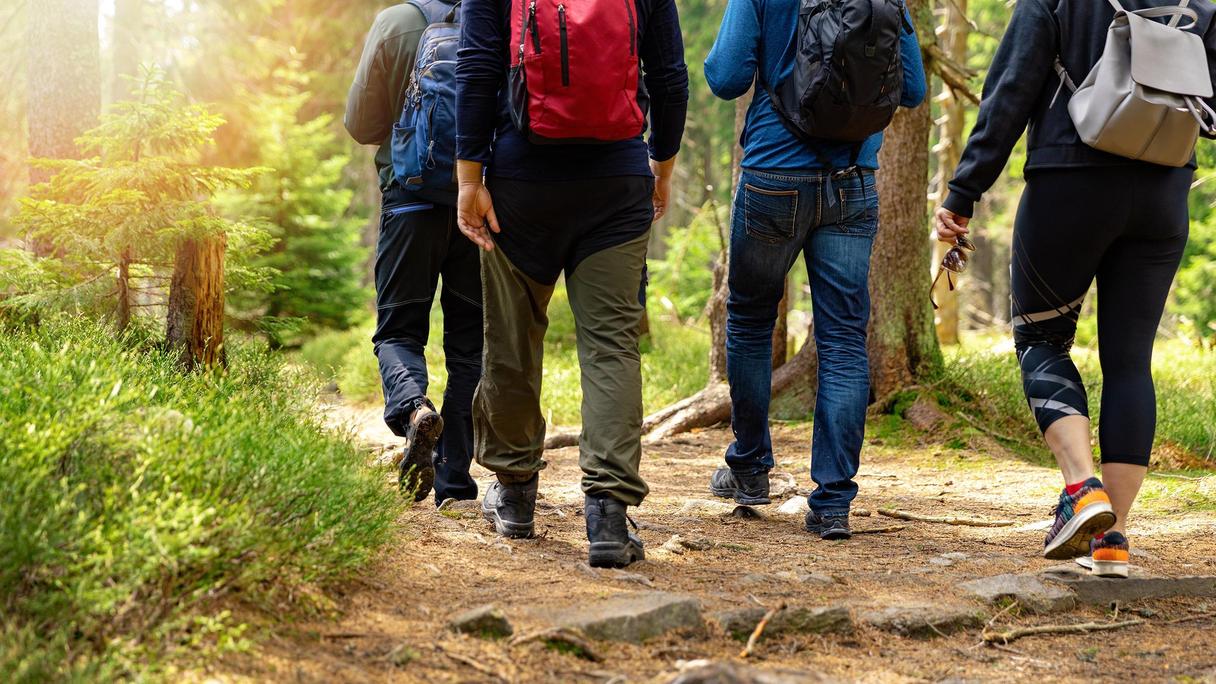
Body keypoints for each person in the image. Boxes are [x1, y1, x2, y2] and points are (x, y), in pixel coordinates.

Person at [934, 0, 1216, 575]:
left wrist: (963, 193)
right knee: (1130, 362)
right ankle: (1113, 540)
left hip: (1070, 181)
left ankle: (1081, 489)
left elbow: (1010, 92)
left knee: (1041, 338)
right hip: (1164, 191)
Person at [455, 0, 688, 567]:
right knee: (611, 346)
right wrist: (661, 169)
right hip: (616, 182)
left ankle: (513, 495)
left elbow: (477, 66)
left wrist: (469, 178)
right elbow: (670, 73)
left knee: (512, 340)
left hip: (520, 185)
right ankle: (607, 515)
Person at [703, 0, 926, 540]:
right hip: (851, 180)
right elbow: (913, 89)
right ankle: (832, 502)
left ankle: (751, 469)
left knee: (751, 321)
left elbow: (726, 76)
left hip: (772, 176)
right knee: (845, 340)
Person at [345, 0, 482, 506]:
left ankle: (413, 408)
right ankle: (456, 484)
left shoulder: (395, 22)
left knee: (398, 330)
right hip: (481, 205)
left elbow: (360, 124)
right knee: (471, 347)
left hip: (409, 200)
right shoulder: (498, 17)